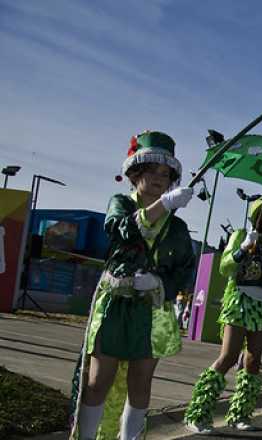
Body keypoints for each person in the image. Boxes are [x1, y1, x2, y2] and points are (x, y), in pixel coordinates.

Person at [69, 131, 196, 440]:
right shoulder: (120, 204)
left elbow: (184, 270)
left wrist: (159, 283)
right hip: (115, 306)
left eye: (166, 174)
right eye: (152, 170)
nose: (159, 178)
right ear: (136, 172)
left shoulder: (177, 227)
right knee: (99, 380)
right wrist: (162, 206)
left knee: (140, 384)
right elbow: (120, 230)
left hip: (152, 312)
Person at [182, 196, 262, 434]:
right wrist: (242, 249)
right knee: (229, 356)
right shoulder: (242, 235)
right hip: (239, 302)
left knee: (253, 360)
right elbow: (226, 268)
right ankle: (198, 413)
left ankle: (239, 413)